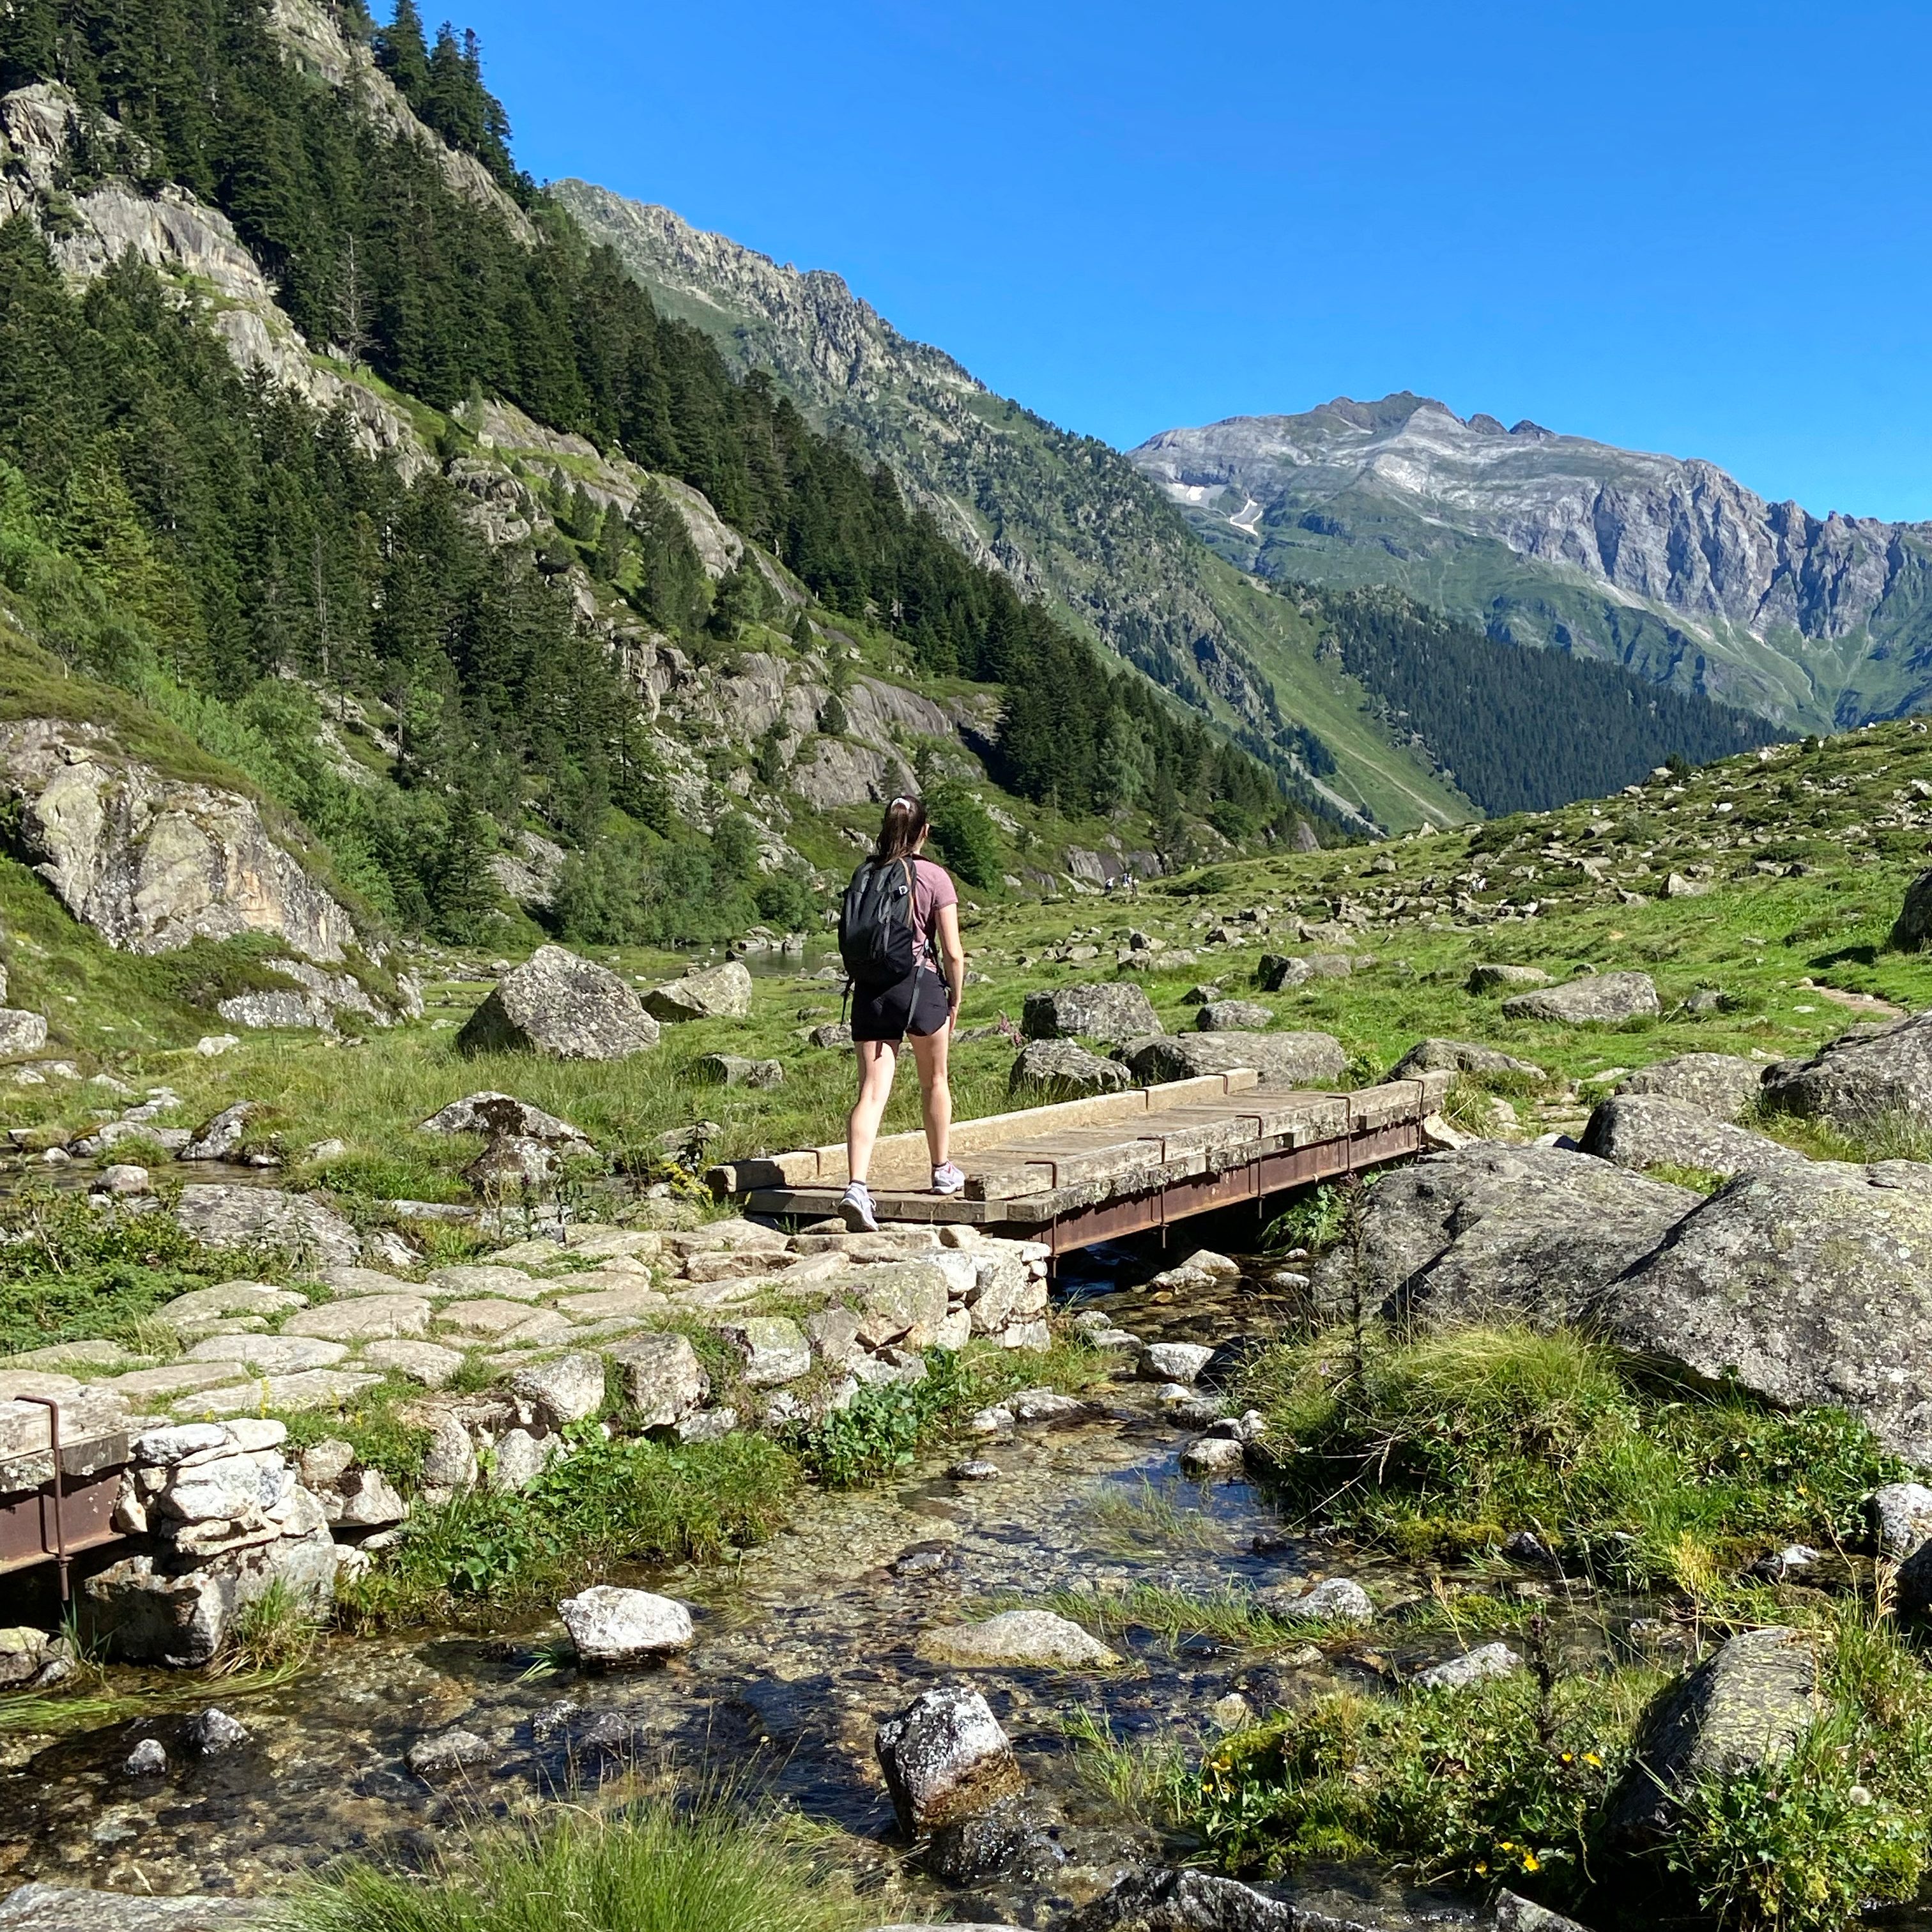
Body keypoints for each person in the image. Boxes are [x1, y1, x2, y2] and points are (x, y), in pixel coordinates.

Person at [839, 795, 966, 1232]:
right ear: (924, 832)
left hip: (872, 990)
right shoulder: (934, 876)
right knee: (935, 1080)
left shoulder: (867, 873)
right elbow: (952, 952)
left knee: (871, 1092)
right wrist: (955, 999)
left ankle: (857, 1186)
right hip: (920, 986)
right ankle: (942, 1170)